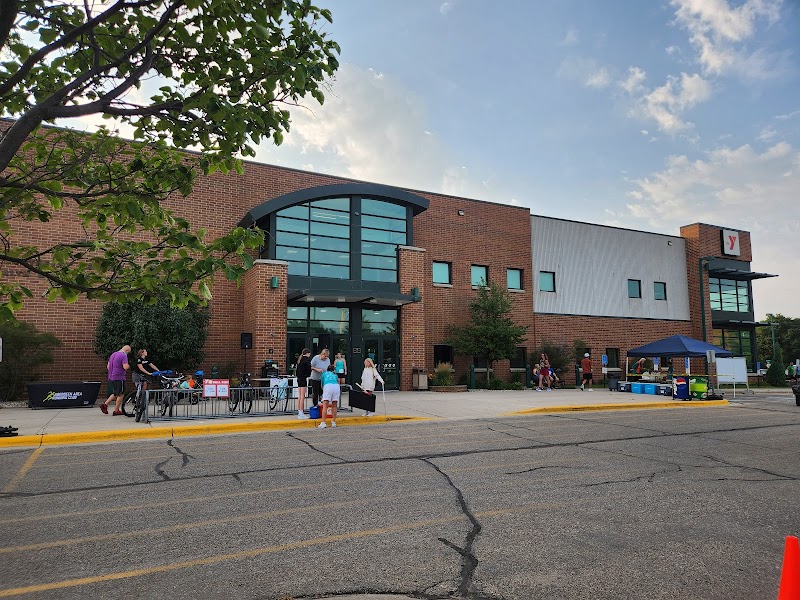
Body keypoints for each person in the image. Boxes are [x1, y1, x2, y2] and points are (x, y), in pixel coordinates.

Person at [100, 344, 131, 415]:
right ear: (127, 351)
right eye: (128, 352)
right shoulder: (124, 356)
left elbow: (108, 366)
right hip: (119, 377)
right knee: (121, 394)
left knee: (115, 393)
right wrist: (129, 366)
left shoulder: (113, 354)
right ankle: (116, 410)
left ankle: (105, 404)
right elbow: (125, 367)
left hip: (111, 377)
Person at [295, 348, 312, 419]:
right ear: (308, 353)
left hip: (299, 378)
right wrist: (308, 374)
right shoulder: (307, 360)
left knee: (300, 396)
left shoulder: (300, 360)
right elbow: (308, 369)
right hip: (303, 378)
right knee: (302, 396)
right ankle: (301, 412)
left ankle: (299, 411)